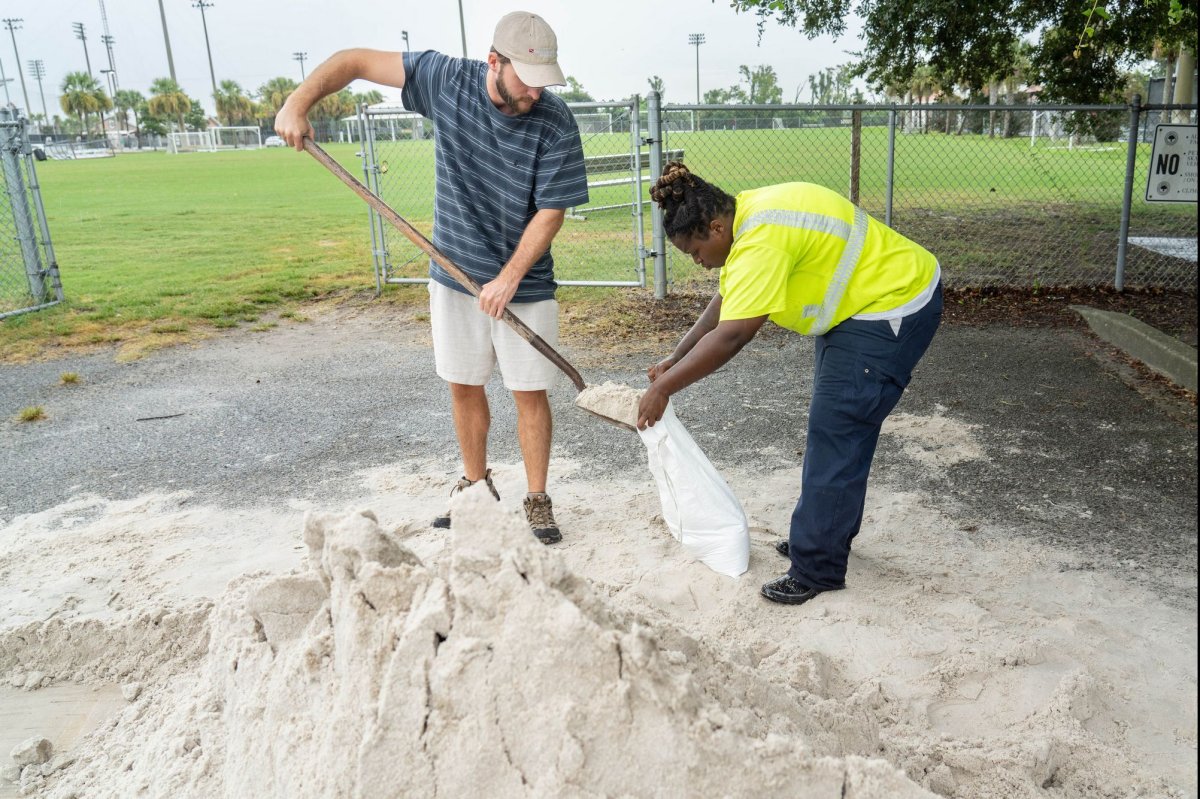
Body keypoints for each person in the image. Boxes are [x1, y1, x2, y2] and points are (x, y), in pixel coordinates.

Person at [274, 12, 588, 544]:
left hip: (525, 282)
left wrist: (510, 277)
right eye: (527, 82)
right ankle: (474, 489)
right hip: (453, 273)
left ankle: (536, 498)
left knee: (529, 392)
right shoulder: (446, 80)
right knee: (464, 385)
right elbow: (352, 62)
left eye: (544, 84)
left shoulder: (555, 123)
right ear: (495, 62)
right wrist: (296, 103)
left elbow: (552, 211)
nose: (536, 94)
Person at [638, 162, 943, 606]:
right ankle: (823, 535)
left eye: (695, 252)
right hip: (861, 306)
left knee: (837, 428)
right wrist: (675, 358)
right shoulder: (749, 216)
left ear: (716, 227)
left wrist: (663, 389)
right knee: (839, 425)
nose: (699, 263)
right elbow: (727, 301)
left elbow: (733, 334)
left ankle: (817, 566)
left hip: (892, 304)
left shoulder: (760, 240)